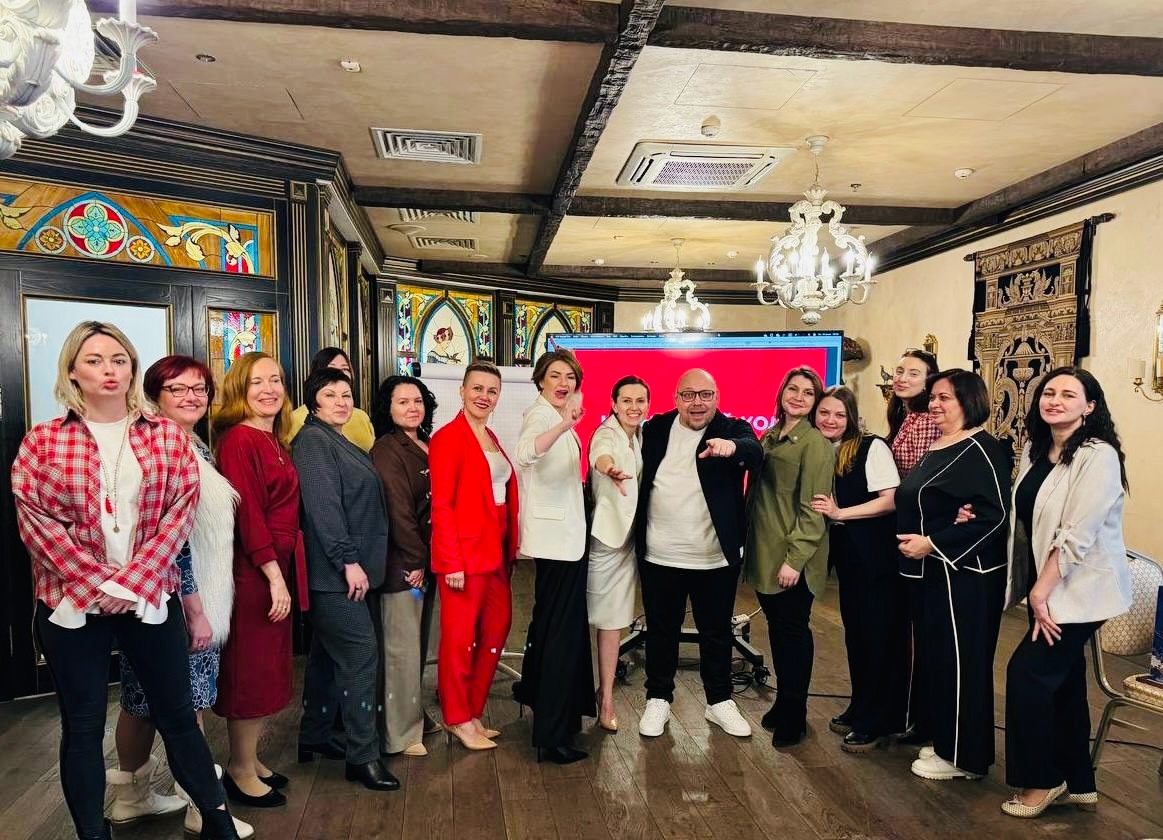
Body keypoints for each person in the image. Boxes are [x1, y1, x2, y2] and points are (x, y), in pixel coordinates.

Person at [11, 321, 240, 840]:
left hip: (149, 597)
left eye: (119, 360)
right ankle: (93, 833)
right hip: (70, 602)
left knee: (178, 716)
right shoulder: (44, 441)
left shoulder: (165, 437)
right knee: (83, 726)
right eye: (94, 360)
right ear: (73, 371)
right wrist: (99, 585)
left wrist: (132, 582)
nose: (108, 370)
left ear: (132, 369)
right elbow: (36, 524)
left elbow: (178, 517)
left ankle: (218, 824)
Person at [110, 355, 252, 838]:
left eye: (199, 389)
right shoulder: (160, 447)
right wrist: (194, 609)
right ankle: (201, 804)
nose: (192, 397)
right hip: (176, 598)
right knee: (185, 703)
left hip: (168, 595)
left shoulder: (193, 444)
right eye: (177, 389)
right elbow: (173, 543)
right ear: (154, 395)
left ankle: (131, 798)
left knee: (140, 699)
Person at [999, 368, 1132, 817]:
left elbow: (1078, 533)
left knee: (1028, 675)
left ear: (1089, 406)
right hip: (1051, 583)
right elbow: (1025, 515)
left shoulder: (1098, 455)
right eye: (1049, 392)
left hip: (1081, 589)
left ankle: (1042, 780)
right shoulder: (1036, 450)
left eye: (1069, 395)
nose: (1055, 400)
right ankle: (1078, 780)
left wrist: (1041, 592)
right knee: (1064, 681)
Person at [896, 369, 1012, 782]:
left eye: (944, 397)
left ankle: (964, 758)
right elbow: (941, 503)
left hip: (965, 576)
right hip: (934, 574)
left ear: (969, 401)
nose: (935, 404)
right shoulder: (941, 444)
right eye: (933, 397)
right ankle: (946, 739)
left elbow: (994, 515)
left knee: (963, 665)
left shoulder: (983, 449)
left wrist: (933, 542)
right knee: (941, 661)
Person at [636, 369, 763, 740]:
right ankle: (658, 698)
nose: (697, 402)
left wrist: (732, 448)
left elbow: (755, 451)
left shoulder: (733, 428)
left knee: (716, 632)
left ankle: (719, 701)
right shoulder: (656, 429)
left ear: (717, 397)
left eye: (705, 394)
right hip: (660, 554)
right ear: (676, 399)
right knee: (661, 631)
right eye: (688, 395)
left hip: (714, 558)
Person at [292, 368, 398, 792]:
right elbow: (324, 508)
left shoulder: (337, 439)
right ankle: (363, 757)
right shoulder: (313, 442)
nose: (341, 401)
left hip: (349, 572)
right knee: (360, 657)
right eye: (330, 394)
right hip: (335, 575)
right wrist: (347, 561)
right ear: (313, 402)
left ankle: (314, 735)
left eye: (346, 394)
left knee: (325, 656)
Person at [211, 351, 304, 808]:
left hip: (275, 567)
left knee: (268, 667)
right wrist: (273, 576)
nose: (269, 389)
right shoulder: (239, 440)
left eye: (276, 380)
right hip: (254, 572)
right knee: (248, 670)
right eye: (257, 382)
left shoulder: (274, 438)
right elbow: (247, 516)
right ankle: (240, 768)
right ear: (239, 390)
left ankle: (251, 758)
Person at [810, 386, 910, 753]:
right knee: (857, 635)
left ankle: (879, 719)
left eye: (839, 414)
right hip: (850, 558)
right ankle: (862, 705)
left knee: (878, 637)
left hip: (877, 558)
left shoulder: (872, 447)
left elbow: (889, 500)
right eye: (824, 413)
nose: (831, 420)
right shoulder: (824, 449)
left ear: (851, 417)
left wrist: (840, 513)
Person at [428, 362, 519, 751]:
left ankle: (473, 711)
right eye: (477, 388)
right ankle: (456, 717)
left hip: (495, 548)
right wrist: (451, 562)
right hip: (464, 555)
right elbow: (442, 505)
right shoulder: (448, 438)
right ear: (462, 392)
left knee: (497, 626)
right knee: (459, 639)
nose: (484, 396)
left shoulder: (491, 436)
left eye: (492, 390)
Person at [513, 348, 596, 764]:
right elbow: (526, 452)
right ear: (541, 380)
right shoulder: (541, 415)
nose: (564, 383)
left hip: (565, 541)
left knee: (552, 627)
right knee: (560, 634)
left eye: (570, 377)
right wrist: (564, 424)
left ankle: (542, 704)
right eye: (556, 376)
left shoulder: (555, 413)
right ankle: (551, 734)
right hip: (557, 544)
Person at [744, 366, 834, 748]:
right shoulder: (770, 435)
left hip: (791, 558)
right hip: (765, 553)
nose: (798, 397)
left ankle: (794, 715)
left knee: (793, 634)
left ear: (816, 401)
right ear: (782, 392)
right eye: (793, 389)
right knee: (779, 634)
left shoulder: (815, 445)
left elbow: (814, 510)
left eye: (808, 393)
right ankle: (784, 703)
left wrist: (794, 560)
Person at [369, 375, 440, 758]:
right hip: (404, 567)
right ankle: (399, 735)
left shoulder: (426, 443)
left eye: (418, 401)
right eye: (403, 402)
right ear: (389, 408)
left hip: (427, 561)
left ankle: (414, 716)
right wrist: (416, 561)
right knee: (401, 651)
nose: (413, 408)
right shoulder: (386, 450)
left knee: (417, 647)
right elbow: (398, 511)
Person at [883, 347, 940, 745]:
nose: (902, 378)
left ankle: (919, 717)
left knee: (919, 634)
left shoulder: (926, 422)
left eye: (913, 373)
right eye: (899, 371)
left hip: (918, 535)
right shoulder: (904, 416)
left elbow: (919, 483)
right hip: (903, 530)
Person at [587, 375, 650, 733]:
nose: (633, 407)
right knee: (596, 619)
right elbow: (601, 453)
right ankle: (582, 695)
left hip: (628, 544)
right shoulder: (607, 433)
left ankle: (606, 696)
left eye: (640, 400)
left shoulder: (637, 435)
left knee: (613, 624)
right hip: (605, 543)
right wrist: (608, 467)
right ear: (613, 404)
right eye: (626, 400)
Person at [287, 347, 375, 451]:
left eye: (345, 369)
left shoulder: (361, 417)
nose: (339, 373)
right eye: (331, 368)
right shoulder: (297, 419)